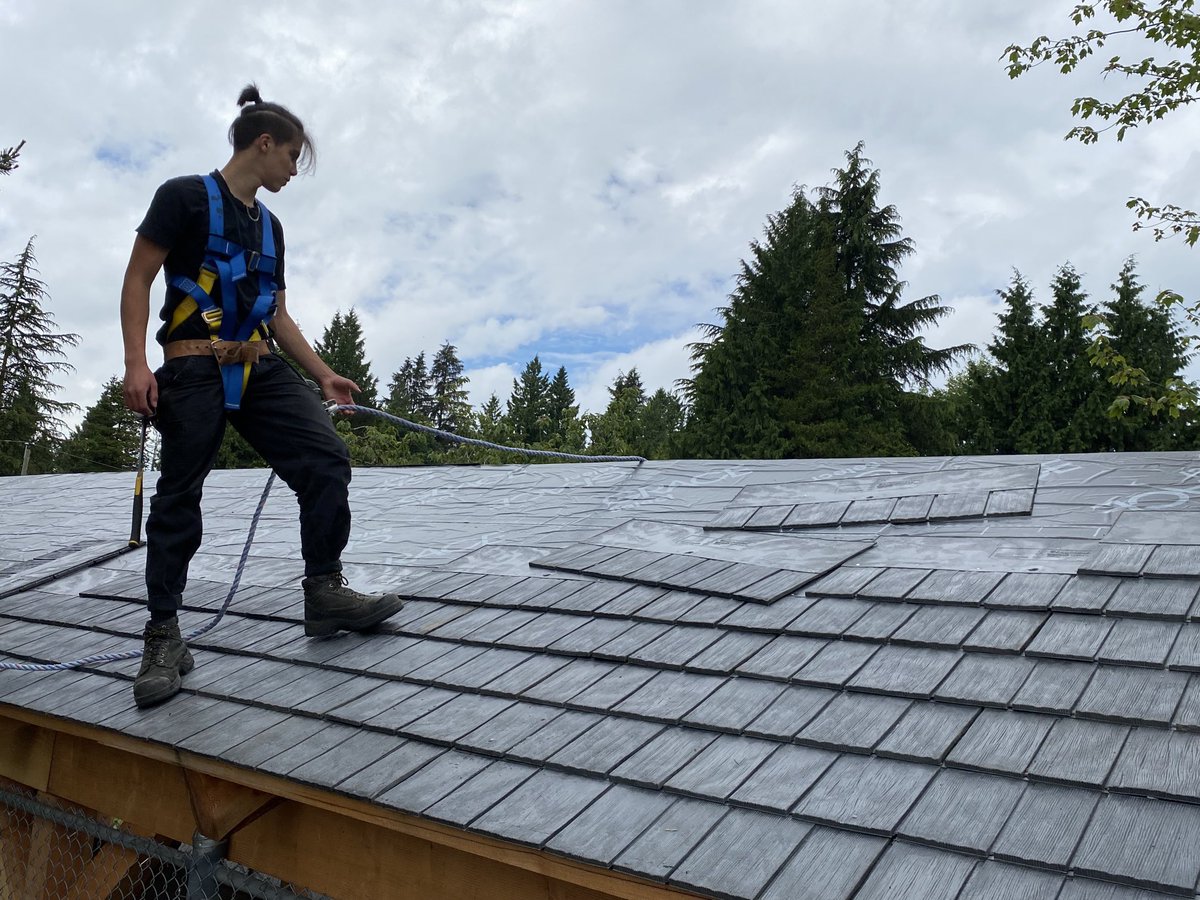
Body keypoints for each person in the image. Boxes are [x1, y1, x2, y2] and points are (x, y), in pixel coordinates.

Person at [120, 85, 403, 708]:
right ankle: (164, 634)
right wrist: (136, 363)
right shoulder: (183, 197)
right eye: (292, 157)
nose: (294, 172)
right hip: (191, 368)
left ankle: (324, 591)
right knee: (178, 498)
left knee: (325, 459)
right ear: (264, 143)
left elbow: (275, 312)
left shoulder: (270, 227)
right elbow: (139, 276)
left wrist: (324, 374)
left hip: (260, 368)